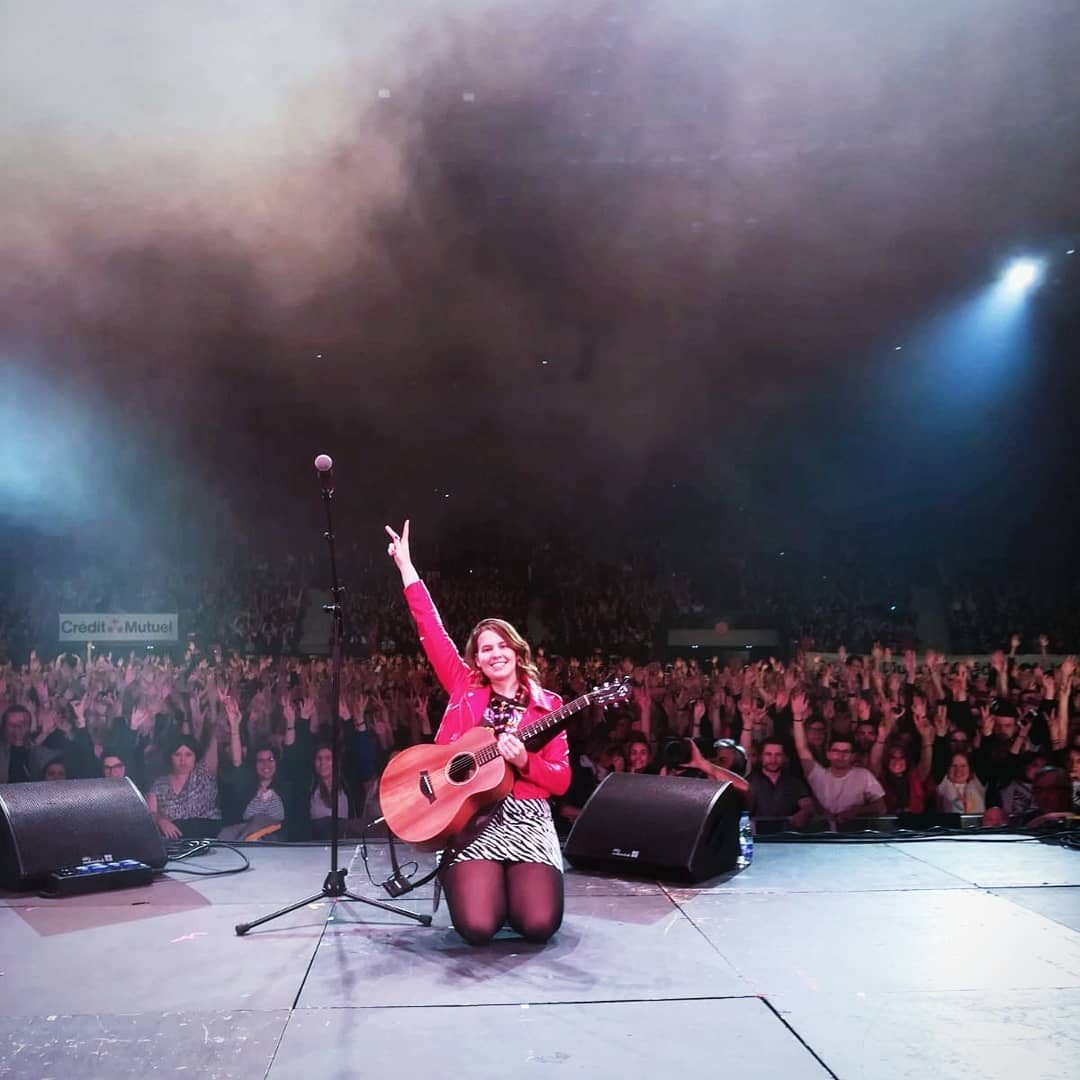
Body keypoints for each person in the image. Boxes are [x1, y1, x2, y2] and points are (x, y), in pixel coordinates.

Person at [386, 519, 570, 946]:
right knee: (478, 929)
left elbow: (561, 780)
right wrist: (407, 569)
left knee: (539, 926)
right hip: (470, 820)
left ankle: (515, 890)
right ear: (477, 661)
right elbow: (431, 631)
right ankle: (485, 887)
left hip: (527, 818)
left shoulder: (549, 705)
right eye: (486, 649)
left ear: (517, 650)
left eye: (503, 645)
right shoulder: (464, 687)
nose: (496, 653)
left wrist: (526, 761)